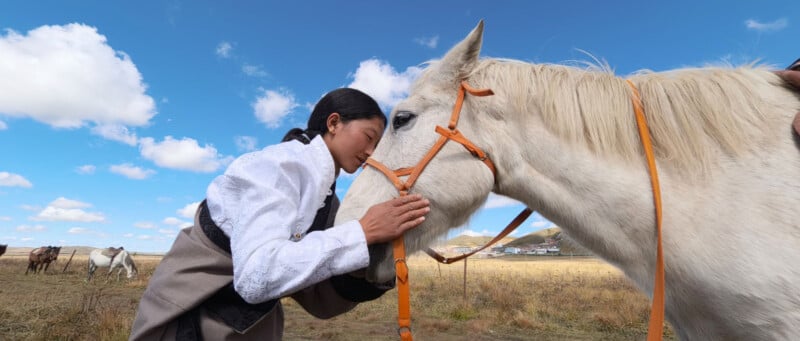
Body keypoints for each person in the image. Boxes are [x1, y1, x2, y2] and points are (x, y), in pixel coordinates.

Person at [129, 88, 430, 340]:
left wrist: (384, 253)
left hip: (247, 326)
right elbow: (255, 277)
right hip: (188, 313)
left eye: (378, 145)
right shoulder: (275, 167)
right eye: (369, 137)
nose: (372, 153)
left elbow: (320, 297)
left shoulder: (328, 198)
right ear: (334, 123)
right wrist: (362, 233)